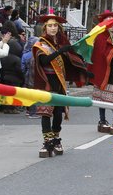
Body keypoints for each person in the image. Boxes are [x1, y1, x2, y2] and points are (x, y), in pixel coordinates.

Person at [32, 12, 89, 157]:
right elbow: (44, 61)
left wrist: (84, 71)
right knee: (46, 113)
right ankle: (47, 142)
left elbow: (72, 60)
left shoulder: (62, 42)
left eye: (55, 26)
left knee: (58, 113)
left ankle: (56, 139)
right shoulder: (41, 43)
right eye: (50, 26)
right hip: (46, 82)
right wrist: (59, 52)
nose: (53, 28)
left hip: (59, 82)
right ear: (45, 28)